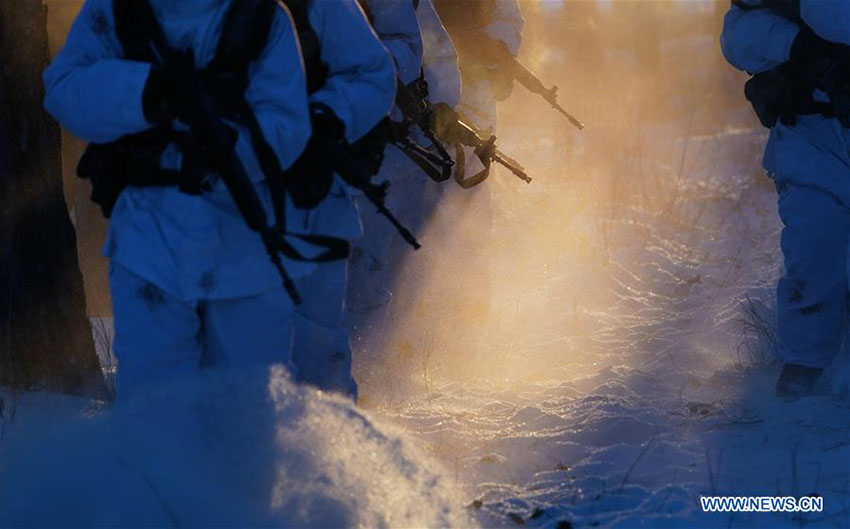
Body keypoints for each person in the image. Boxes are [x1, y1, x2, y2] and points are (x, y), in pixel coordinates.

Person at [43, 0, 312, 399]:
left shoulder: (260, 15)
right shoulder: (116, 11)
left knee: (249, 412)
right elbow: (65, 90)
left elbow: (288, 124)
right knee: (155, 413)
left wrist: (229, 145)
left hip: (243, 249)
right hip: (148, 242)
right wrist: (146, 92)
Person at [721, 0, 850, 397]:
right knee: (814, 247)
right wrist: (801, 48)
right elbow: (737, 38)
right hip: (811, 134)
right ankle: (804, 368)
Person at [286, 0, 397, 400]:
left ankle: (332, 452)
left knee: (316, 348)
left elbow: (375, 71)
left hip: (311, 193)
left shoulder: (322, 5)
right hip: (207, 208)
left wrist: (327, 118)